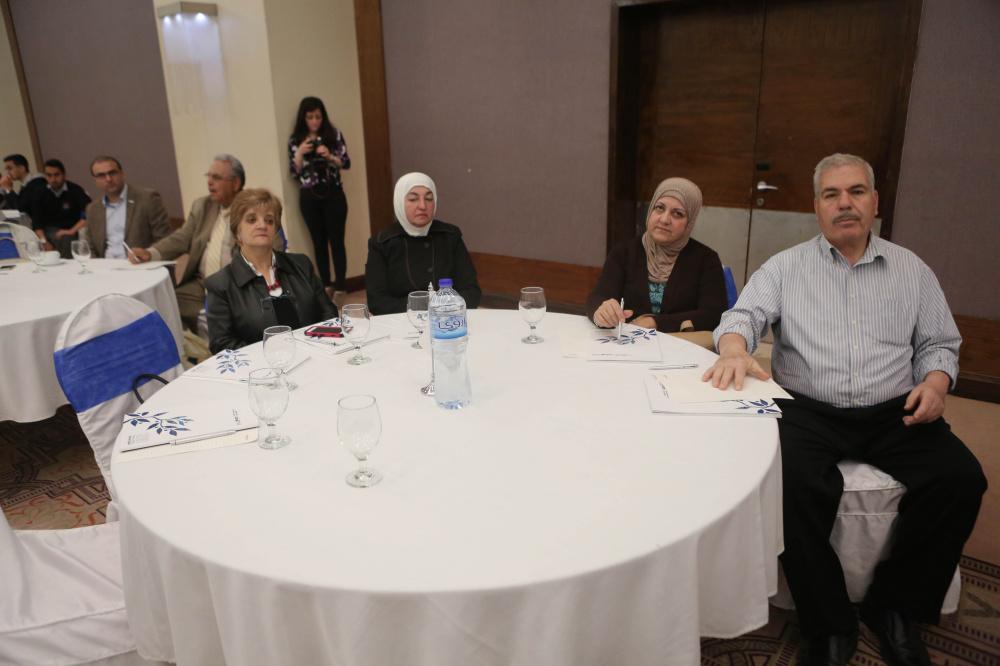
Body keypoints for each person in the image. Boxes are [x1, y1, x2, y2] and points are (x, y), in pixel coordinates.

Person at [703, 154, 986, 666]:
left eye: (856, 191)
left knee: (961, 479)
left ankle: (895, 607)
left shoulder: (912, 270)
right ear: (817, 207)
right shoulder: (785, 267)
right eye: (831, 195)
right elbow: (741, 316)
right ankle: (829, 624)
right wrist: (735, 348)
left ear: (874, 202)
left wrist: (936, 383)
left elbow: (940, 343)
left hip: (896, 408)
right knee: (789, 485)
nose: (844, 204)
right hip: (808, 410)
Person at [129, 154, 282, 331]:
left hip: (236, 283)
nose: (209, 182)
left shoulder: (252, 210)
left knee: (229, 316)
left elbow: (274, 246)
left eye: (216, 177)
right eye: (208, 176)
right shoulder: (202, 205)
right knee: (167, 303)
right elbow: (182, 237)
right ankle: (196, 338)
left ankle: (212, 331)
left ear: (236, 183)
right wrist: (151, 253)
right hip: (201, 283)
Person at [586, 177, 726, 333]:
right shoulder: (624, 252)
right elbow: (597, 297)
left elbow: (714, 315)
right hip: (628, 342)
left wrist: (655, 322)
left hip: (678, 344)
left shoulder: (706, 260)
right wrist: (602, 311)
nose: (664, 219)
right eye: (659, 208)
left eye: (677, 214)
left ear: (689, 222)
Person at [205, 189, 336, 353]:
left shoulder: (301, 264)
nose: (262, 225)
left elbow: (328, 312)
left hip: (316, 355)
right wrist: (271, 355)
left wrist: (317, 349)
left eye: (269, 220)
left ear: (275, 230)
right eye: (252, 220)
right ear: (237, 233)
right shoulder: (220, 285)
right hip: (261, 366)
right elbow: (222, 344)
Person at [365, 172, 481, 315]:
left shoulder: (450, 236)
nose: (422, 206)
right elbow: (377, 303)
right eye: (413, 199)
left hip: (449, 318)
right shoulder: (382, 242)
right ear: (399, 202)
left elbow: (472, 292)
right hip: (402, 321)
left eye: (429, 199)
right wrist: (429, 305)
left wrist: (441, 309)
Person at [289, 96, 350, 304]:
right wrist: (300, 153)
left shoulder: (333, 135)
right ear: (303, 118)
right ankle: (325, 285)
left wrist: (329, 155)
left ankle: (341, 287)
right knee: (318, 242)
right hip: (309, 196)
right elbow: (294, 172)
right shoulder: (296, 140)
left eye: (318, 116)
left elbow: (346, 162)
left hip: (333, 193)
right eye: (310, 117)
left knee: (337, 240)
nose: (314, 121)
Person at [82, 156, 171, 258]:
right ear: (95, 180)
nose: (108, 179)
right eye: (101, 175)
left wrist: (148, 256)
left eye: (112, 173)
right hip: (105, 265)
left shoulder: (147, 199)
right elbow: (90, 246)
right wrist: (96, 266)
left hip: (140, 263)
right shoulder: (93, 209)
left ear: (122, 173)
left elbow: (164, 239)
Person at [27, 159, 91, 258]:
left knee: (66, 238)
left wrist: (71, 231)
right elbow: (37, 223)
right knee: (32, 242)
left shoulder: (75, 190)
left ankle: (68, 265)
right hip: (47, 230)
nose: (53, 179)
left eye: (57, 175)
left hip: (71, 229)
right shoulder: (39, 193)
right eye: (49, 175)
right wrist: (44, 242)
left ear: (64, 175)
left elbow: (88, 214)